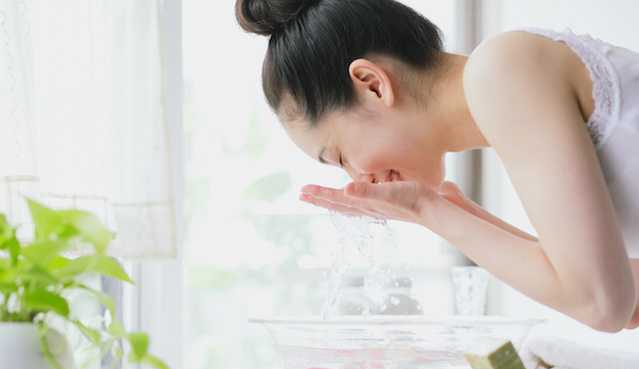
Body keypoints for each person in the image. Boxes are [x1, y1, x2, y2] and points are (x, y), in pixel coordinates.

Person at [235, 0, 639, 331]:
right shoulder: (508, 87)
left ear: (372, 84)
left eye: (339, 156)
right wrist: (458, 214)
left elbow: (602, 305)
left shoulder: (502, 69)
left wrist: (429, 210)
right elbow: (626, 297)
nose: (359, 178)